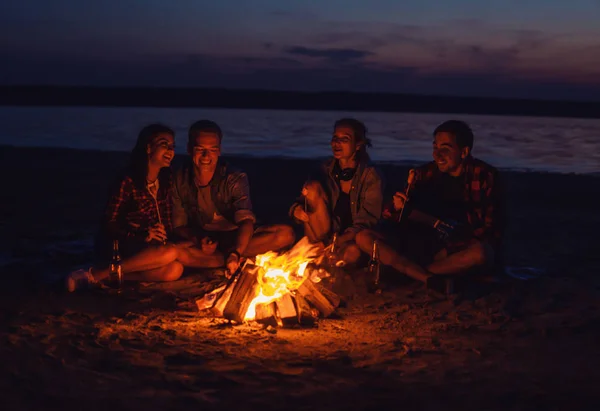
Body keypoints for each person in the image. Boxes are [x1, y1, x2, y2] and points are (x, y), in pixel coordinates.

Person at [356, 120, 505, 281]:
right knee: (364, 237)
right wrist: (397, 206)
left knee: (482, 253)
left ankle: (412, 274)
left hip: (451, 252)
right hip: (418, 246)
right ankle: (424, 275)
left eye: (445, 149)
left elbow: (490, 230)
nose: (437, 154)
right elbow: (391, 217)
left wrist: (450, 245)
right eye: (435, 147)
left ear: (464, 152)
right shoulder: (424, 174)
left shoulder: (484, 176)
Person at [67, 124, 188, 291]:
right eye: (164, 144)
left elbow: (166, 221)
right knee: (171, 252)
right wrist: (142, 234)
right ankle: (93, 274)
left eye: (172, 146)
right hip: (122, 246)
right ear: (148, 148)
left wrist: (172, 238)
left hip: (151, 250)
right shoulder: (128, 181)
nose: (170, 150)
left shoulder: (166, 181)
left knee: (174, 270)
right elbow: (109, 223)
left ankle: (109, 276)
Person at [173, 120, 295, 276]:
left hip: (237, 239)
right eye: (200, 149)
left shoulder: (234, 177)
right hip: (205, 243)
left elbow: (246, 221)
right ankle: (223, 259)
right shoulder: (179, 179)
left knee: (285, 234)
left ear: (219, 151)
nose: (206, 156)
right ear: (190, 149)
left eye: (212, 149)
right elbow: (178, 226)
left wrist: (236, 251)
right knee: (176, 252)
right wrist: (198, 239)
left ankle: (229, 258)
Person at [288, 118, 385, 266]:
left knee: (352, 253)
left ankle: (320, 260)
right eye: (335, 138)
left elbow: (366, 222)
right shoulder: (324, 169)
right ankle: (320, 257)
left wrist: (336, 242)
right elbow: (302, 201)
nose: (336, 143)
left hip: (351, 240)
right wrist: (296, 210)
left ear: (358, 144)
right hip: (322, 236)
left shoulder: (371, 176)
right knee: (312, 187)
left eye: (344, 139)